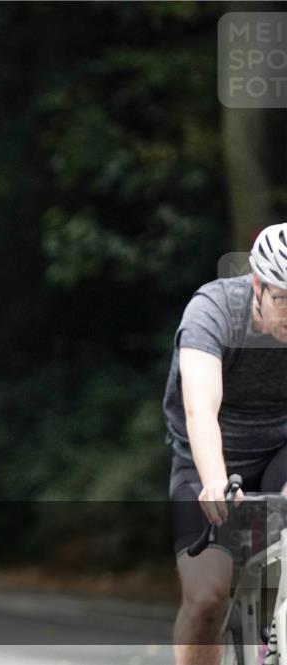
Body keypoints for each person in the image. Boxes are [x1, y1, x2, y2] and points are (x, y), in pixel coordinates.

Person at [166, 223, 287, 665]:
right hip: (208, 460)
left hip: (281, 450)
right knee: (206, 597)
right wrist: (215, 481)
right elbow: (201, 409)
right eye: (283, 299)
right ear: (257, 285)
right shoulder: (213, 310)